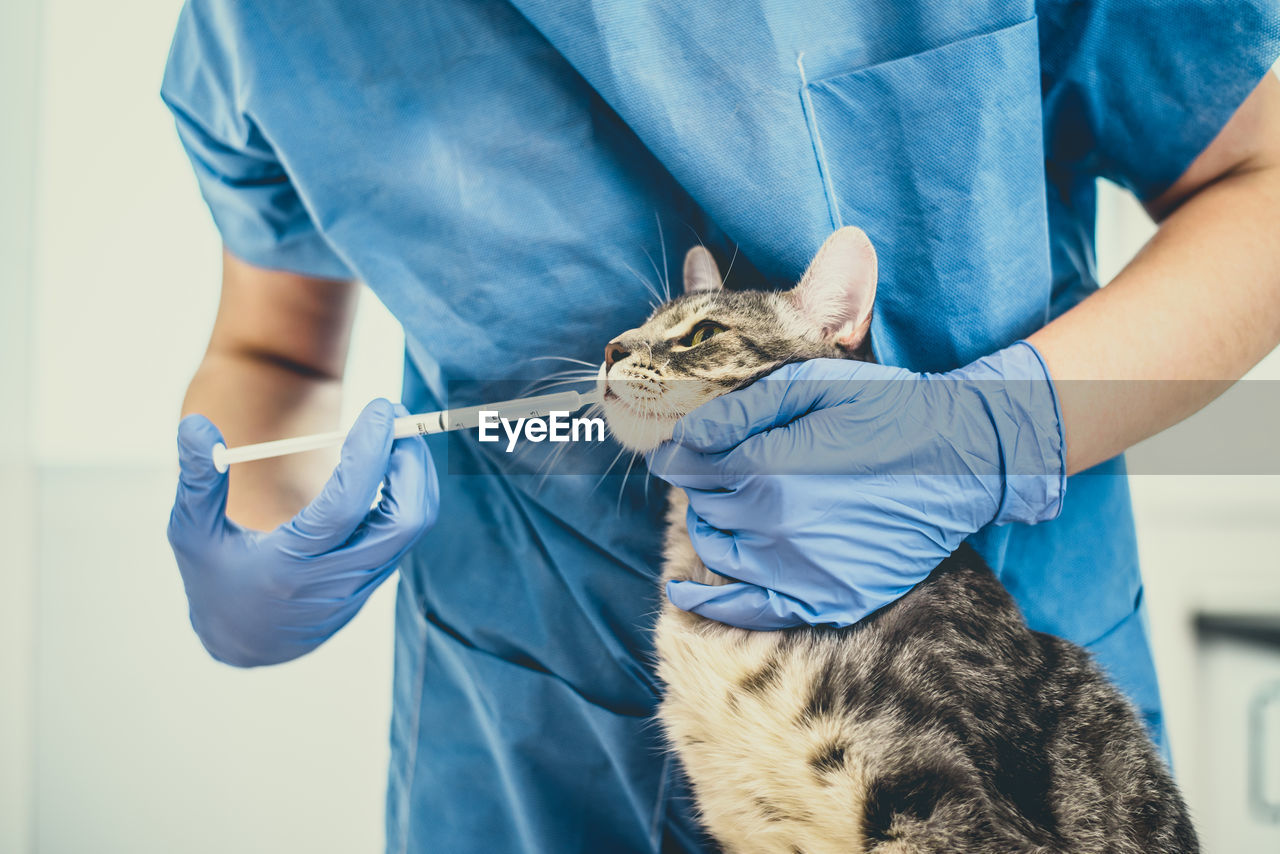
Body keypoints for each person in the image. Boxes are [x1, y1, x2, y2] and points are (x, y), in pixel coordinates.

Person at [161, 1, 1280, 851]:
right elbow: (276, 352)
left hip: (960, 697)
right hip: (520, 732)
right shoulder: (260, 22)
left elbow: (1259, 175)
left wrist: (989, 429)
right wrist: (258, 533)